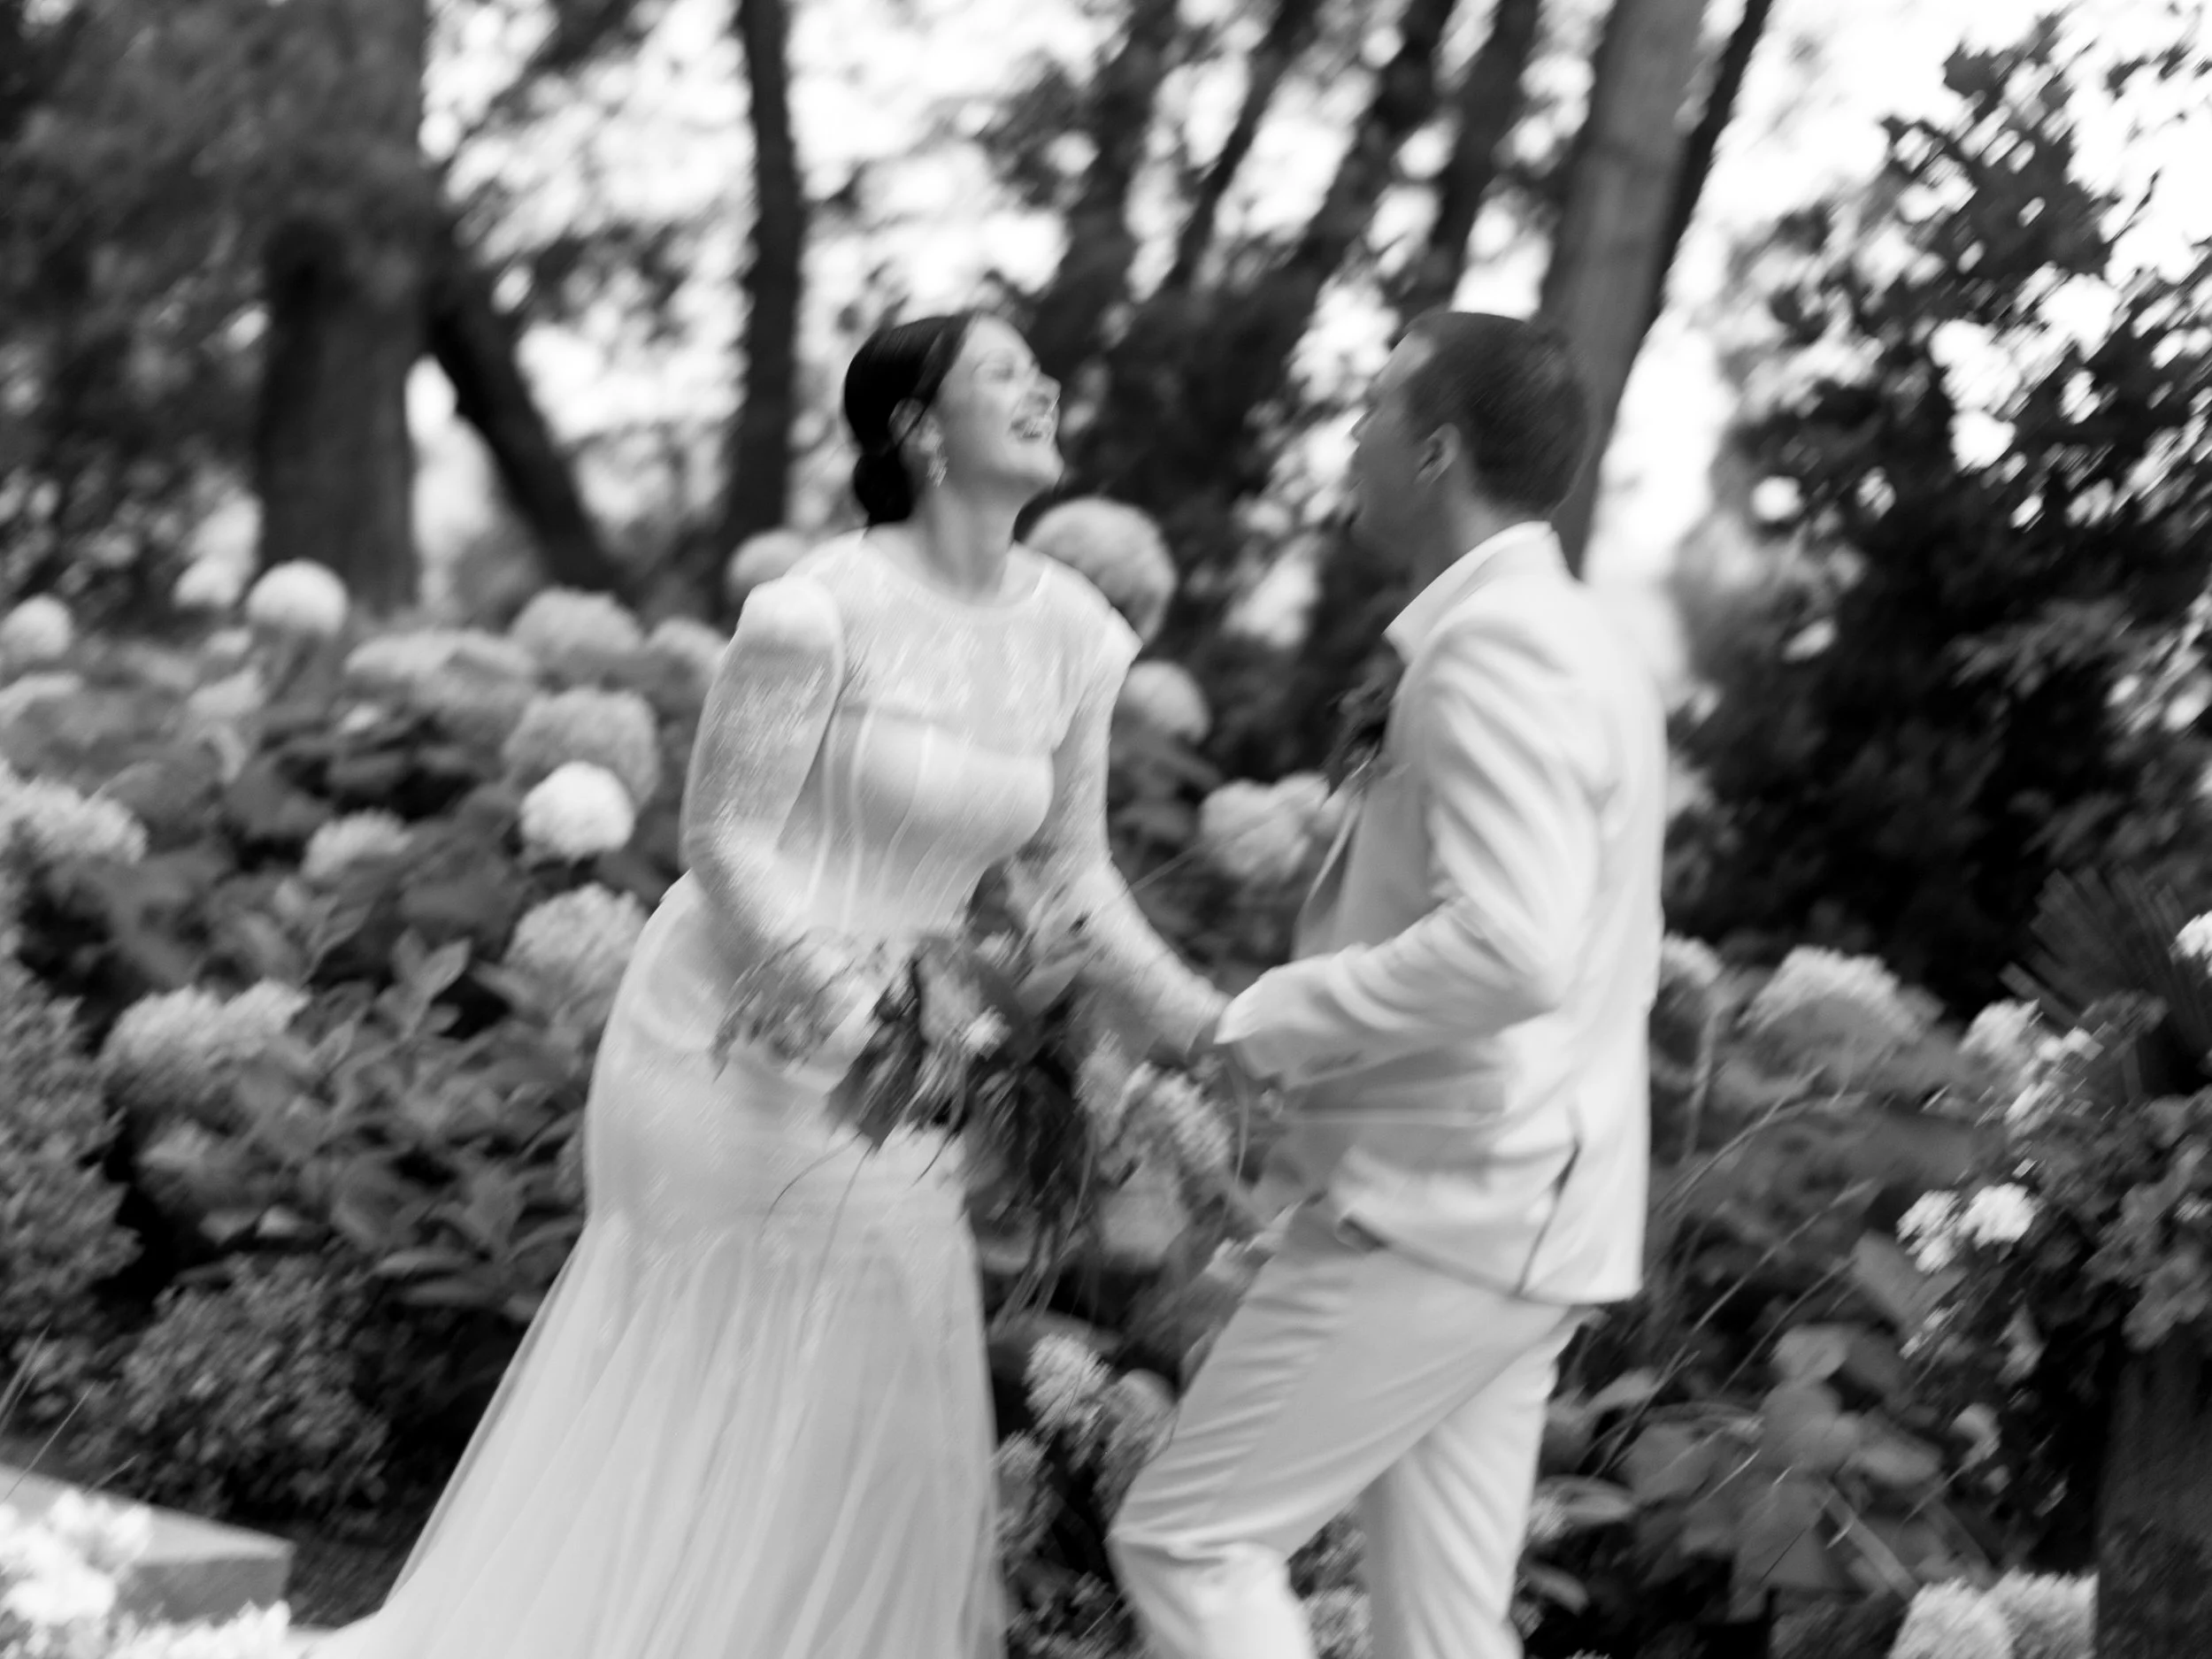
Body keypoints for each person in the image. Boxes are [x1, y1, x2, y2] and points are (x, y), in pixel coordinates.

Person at [314, 310, 1225, 1659]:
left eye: (1043, 366)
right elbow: (726, 842)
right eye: (1001, 371)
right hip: (736, 1030)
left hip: (926, 1039)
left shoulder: (1080, 635)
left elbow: (1073, 873)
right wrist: (861, 1021)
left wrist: (1215, 1026)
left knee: (878, 1358)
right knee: (727, 1358)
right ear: (917, 428)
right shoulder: (815, 611)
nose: (1041, 383)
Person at [1109, 311, 1667, 1659]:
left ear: (1436, 448)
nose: (1349, 439)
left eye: (1369, 411)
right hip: (1530, 1206)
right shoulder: (1569, 636)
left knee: (1188, 1541)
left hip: (1450, 1201)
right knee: (1445, 1633)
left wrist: (1254, 1027)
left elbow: (1514, 944)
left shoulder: (1495, 652)